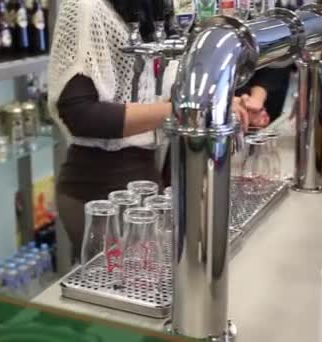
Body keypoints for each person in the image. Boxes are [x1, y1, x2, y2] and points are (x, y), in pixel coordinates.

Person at [48, 0, 265, 259]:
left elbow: (152, 99)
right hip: (99, 190)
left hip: (145, 181)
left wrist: (219, 100)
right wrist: (188, 109)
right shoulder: (85, 7)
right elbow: (80, 115)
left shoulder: (151, 12)